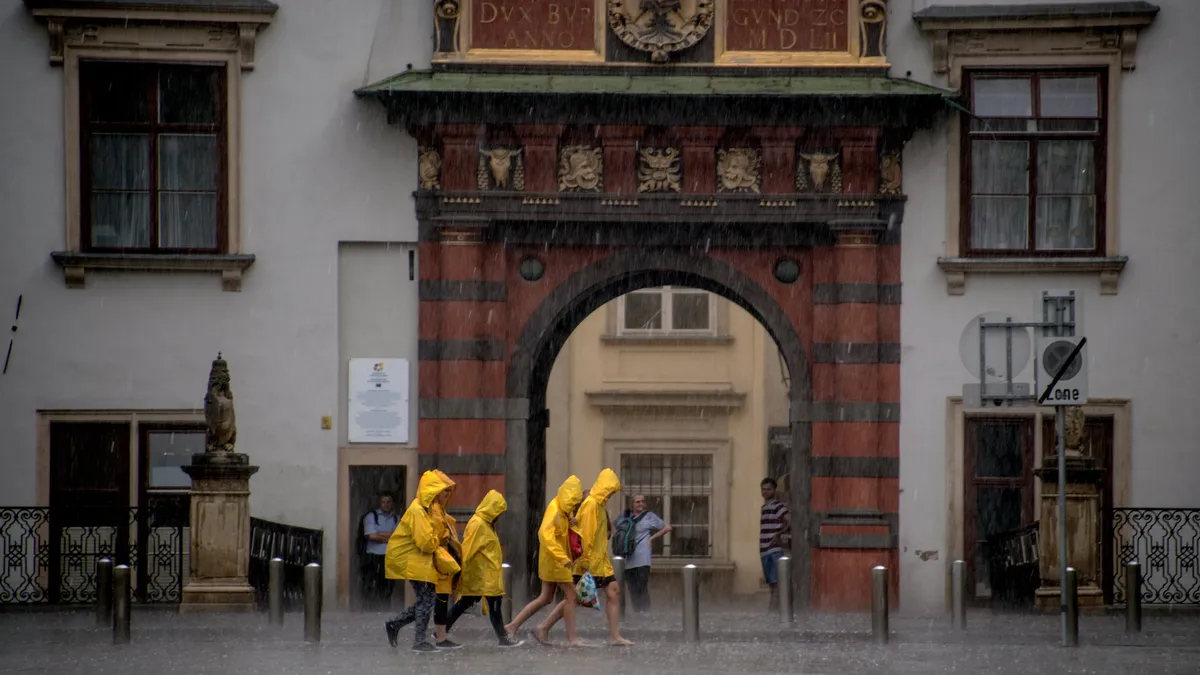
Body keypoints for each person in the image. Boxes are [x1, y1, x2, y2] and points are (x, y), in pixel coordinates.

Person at [538, 468, 633, 646]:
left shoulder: (598, 504)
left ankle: (615, 636)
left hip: (600, 562)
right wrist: (585, 563)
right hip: (589, 563)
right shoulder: (591, 504)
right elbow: (587, 536)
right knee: (574, 598)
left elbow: (595, 536)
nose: (612, 494)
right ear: (604, 487)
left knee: (612, 592)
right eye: (611, 490)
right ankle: (545, 627)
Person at [503, 475, 585, 647]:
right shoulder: (555, 510)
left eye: (575, 503)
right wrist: (562, 557)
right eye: (572, 502)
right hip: (556, 561)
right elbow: (544, 535)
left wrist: (572, 521)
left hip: (552, 560)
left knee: (545, 598)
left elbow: (560, 531)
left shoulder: (561, 508)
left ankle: (513, 626)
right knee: (571, 596)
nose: (573, 506)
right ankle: (571, 638)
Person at [443, 489, 524, 647]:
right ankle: (503, 638)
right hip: (482, 575)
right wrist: (460, 573)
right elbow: (467, 550)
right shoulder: (479, 523)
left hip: (484, 574)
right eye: (498, 512)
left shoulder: (485, 523)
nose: (499, 516)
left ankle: (441, 629)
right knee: (493, 605)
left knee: (467, 603)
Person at [384, 470, 452, 653]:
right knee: (427, 600)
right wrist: (439, 538)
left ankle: (395, 624)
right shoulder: (418, 510)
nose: (444, 494)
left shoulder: (425, 509)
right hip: (414, 560)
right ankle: (418, 641)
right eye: (440, 490)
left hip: (419, 561)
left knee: (426, 600)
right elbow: (426, 542)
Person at [429, 470, 464, 650]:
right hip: (439, 562)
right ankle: (440, 637)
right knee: (437, 601)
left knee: (437, 600)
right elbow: (434, 535)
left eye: (449, 492)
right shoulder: (434, 510)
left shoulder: (440, 510)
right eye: (445, 491)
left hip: (444, 561)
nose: (447, 495)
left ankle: (441, 635)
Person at [621, 494, 670, 614]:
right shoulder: (627, 517)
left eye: (642, 501)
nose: (641, 504)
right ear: (632, 504)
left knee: (642, 587)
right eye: (637, 502)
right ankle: (637, 612)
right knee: (632, 589)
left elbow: (667, 527)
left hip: (643, 558)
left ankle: (645, 612)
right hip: (629, 558)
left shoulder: (649, 516)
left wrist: (652, 538)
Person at [361, 492, 399, 610]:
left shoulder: (396, 518)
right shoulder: (371, 516)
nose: (386, 505)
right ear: (379, 503)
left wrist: (379, 534)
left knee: (387, 586)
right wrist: (389, 537)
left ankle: (384, 609)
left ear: (392, 503)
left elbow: (400, 536)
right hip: (373, 556)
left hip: (390, 556)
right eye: (383, 502)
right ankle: (370, 610)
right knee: (372, 585)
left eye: (388, 502)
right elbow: (370, 536)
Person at [759, 477, 791, 612]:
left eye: (769, 489)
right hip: (764, 550)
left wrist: (778, 534)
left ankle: (772, 614)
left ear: (774, 490)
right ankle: (774, 613)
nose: (766, 492)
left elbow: (790, 521)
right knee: (772, 586)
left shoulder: (778, 506)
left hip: (773, 550)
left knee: (776, 586)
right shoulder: (764, 507)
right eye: (764, 489)